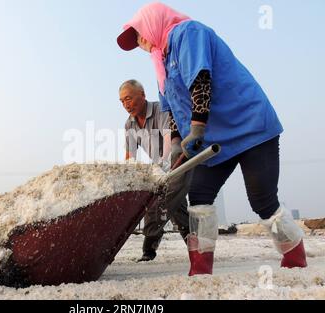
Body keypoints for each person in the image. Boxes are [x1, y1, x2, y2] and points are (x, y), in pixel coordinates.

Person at [117, 2, 307, 276]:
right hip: (212, 143)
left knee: (262, 201)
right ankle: (200, 267)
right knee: (200, 198)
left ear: (153, 22)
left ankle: (294, 257)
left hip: (249, 127)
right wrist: (175, 144)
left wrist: (196, 127)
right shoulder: (161, 66)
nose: (140, 42)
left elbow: (201, 80)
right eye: (135, 40)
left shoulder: (187, 33)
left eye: (140, 33)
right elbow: (172, 111)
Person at [120, 79, 190, 262]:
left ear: (142, 95)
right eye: (122, 101)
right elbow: (130, 155)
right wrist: (128, 176)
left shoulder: (161, 109)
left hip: (177, 159)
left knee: (164, 203)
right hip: (158, 168)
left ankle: (149, 249)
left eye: (129, 98)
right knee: (175, 205)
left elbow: (169, 138)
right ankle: (194, 246)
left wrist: (162, 164)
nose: (126, 104)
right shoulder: (129, 125)